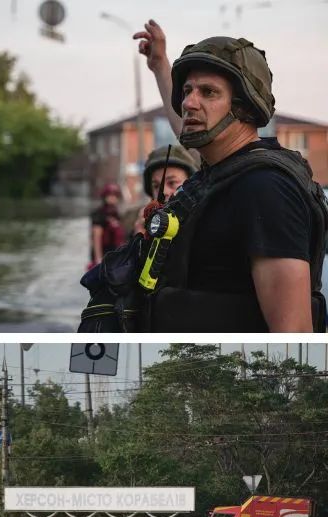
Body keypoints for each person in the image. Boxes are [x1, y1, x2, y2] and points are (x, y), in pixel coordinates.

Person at [131, 21, 328, 331]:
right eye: (186, 91)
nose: (189, 103)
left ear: (245, 108)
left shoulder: (266, 189)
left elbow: (295, 333)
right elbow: (186, 125)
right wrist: (159, 65)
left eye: (208, 92)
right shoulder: (221, 172)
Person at [126, 144, 199, 236]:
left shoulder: (207, 221)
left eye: (172, 183)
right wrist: (141, 236)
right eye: (156, 186)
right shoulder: (141, 224)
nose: (164, 192)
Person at [90, 183, 127, 268]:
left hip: (114, 254)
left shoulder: (116, 214)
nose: (113, 198)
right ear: (105, 196)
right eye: (110, 195)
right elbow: (96, 237)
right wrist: (98, 258)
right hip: (103, 254)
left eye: (115, 195)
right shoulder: (99, 214)